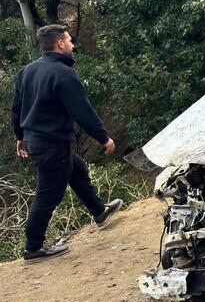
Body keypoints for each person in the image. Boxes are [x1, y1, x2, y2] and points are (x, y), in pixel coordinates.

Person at [11, 24, 124, 263]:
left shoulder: (27, 71)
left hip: (38, 141)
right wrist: (104, 137)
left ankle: (99, 211)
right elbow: (82, 111)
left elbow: (17, 108)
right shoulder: (63, 74)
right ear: (60, 44)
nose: (73, 45)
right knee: (47, 195)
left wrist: (20, 137)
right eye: (70, 41)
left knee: (78, 169)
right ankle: (33, 247)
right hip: (51, 144)